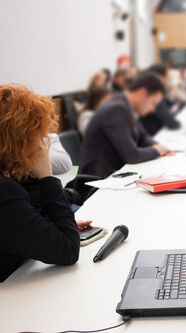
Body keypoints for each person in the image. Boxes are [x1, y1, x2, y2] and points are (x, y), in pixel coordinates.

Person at [0, 84, 80, 282]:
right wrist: (47, 176)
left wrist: (44, 226)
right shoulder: (4, 191)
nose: (41, 142)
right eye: (38, 134)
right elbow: (68, 250)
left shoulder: (9, 176)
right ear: (20, 138)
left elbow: (25, 215)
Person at [79, 73, 175, 179]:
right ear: (142, 93)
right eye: (153, 103)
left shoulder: (126, 105)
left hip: (116, 174)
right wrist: (158, 150)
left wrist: (157, 146)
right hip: (98, 181)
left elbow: (143, 137)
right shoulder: (116, 109)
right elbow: (132, 155)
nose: (153, 109)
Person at [139, 63, 181, 136]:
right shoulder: (154, 93)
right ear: (161, 77)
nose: (170, 79)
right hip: (153, 135)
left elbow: (170, 104)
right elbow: (172, 123)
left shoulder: (153, 90)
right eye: (168, 76)